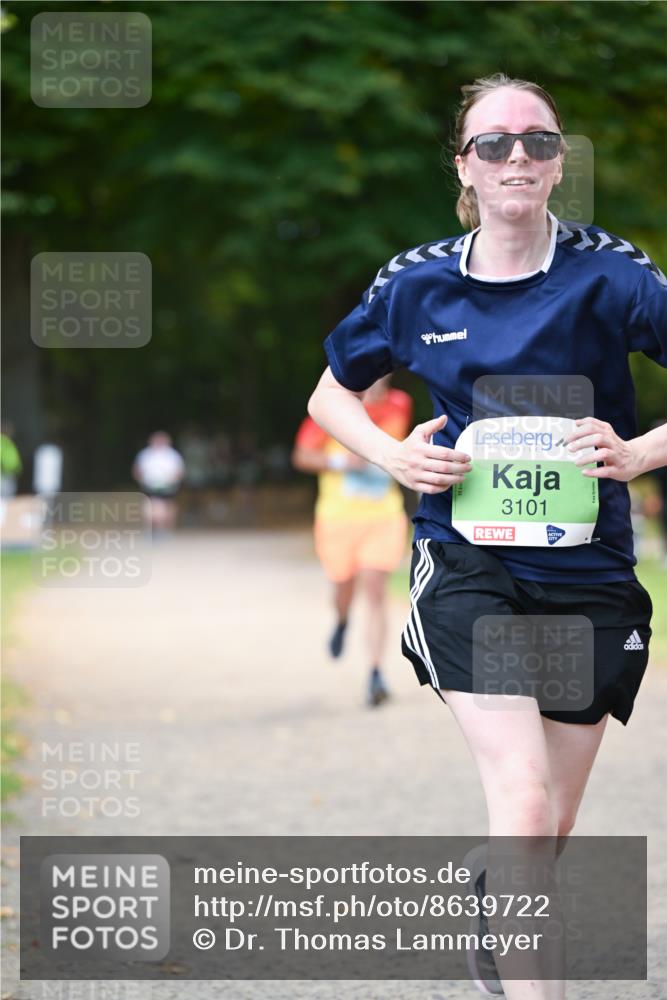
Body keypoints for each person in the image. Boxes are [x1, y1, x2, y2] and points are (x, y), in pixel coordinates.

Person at [307, 73, 667, 999]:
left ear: (557, 165)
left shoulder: (613, 273)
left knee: (541, 836)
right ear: (463, 166)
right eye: (495, 143)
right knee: (526, 799)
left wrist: (639, 450)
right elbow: (328, 393)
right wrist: (391, 458)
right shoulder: (416, 282)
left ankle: (490, 892)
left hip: (590, 572)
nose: (518, 157)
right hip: (466, 562)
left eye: (538, 142)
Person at [292, 376, 413, 706]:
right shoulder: (332, 408)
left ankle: (375, 674)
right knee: (343, 587)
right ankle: (342, 620)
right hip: (337, 518)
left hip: (383, 514)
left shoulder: (399, 404)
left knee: (376, 590)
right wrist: (341, 461)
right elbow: (301, 456)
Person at [132, 431, 185, 533]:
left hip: (169, 485)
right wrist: (142, 480)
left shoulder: (172, 455)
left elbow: (179, 471)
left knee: (168, 505)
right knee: (151, 506)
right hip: (149, 485)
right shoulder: (145, 454)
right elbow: (137, 470)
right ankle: (151, 528)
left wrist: (173, 481)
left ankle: (167, 529)